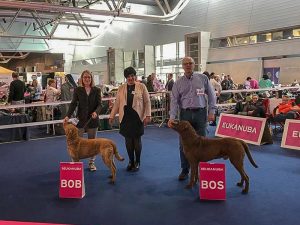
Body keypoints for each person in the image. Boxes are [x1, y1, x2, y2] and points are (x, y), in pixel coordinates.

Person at [168, 56, 217, 181]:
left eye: (190, 63)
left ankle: (202, 171)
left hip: (201, 114)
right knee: (183, 145)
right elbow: (174, 101)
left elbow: (212, 96)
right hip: (185, 115)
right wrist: (172, 117)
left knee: (203, 143)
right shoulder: (178, 82)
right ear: (183, 66)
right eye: (185, 64)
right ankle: (185, 170)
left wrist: (212, 111)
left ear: (194, 65)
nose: (188, 65)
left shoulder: (203, 78)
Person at [109, 66, 151, 172]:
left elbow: (147, 102)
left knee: (137, 140)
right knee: (128, 141)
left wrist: (148, 115)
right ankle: (131, 161)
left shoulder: (141, 86)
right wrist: (112, 115)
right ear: (125, 78)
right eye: (128, 76)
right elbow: (117, 103)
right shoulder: (121, 88)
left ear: (135, 76)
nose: (130, 78)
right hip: (125, 118)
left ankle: (137, 161)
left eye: (132, 76)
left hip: (137, 118)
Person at [64, 70, 102, 172]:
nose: (87, 79)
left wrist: (96, 112)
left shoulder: (97, 90)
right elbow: (73, 104)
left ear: (91, 78)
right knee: (76, 143)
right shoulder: (77, 90)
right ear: (82, 78)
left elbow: (100, 105)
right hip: (80, 120)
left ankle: (91, 163)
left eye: (89, 77)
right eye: (85, 77)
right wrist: (67, 116)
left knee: (92, 143)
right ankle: (76, 164)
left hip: (92, 120)